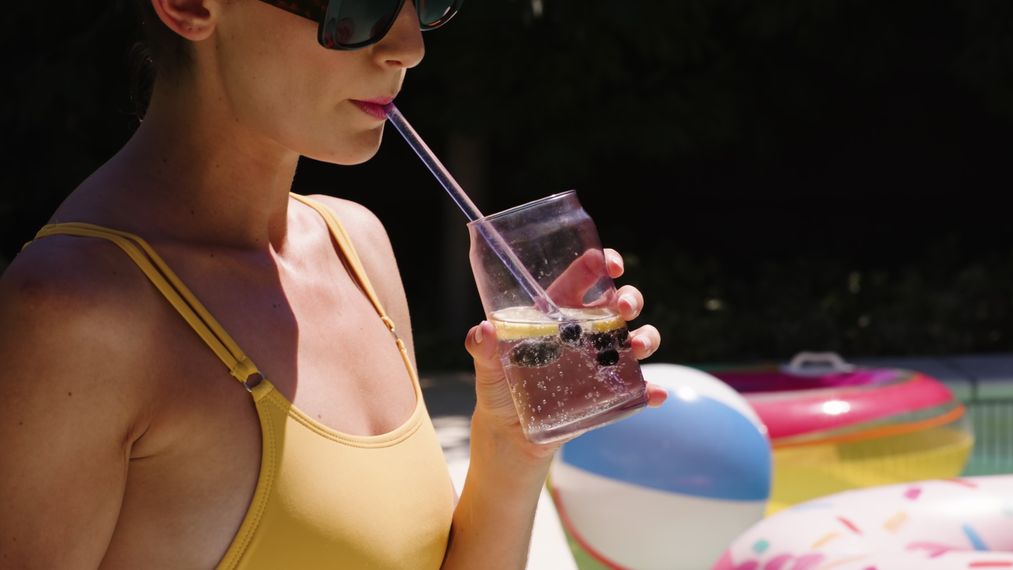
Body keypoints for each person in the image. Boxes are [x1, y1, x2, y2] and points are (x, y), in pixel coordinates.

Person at [0, 0, 664, 568]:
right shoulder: (75, 316)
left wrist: (510, 447)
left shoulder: (357, 247)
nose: (409, 47)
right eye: (358, 4)